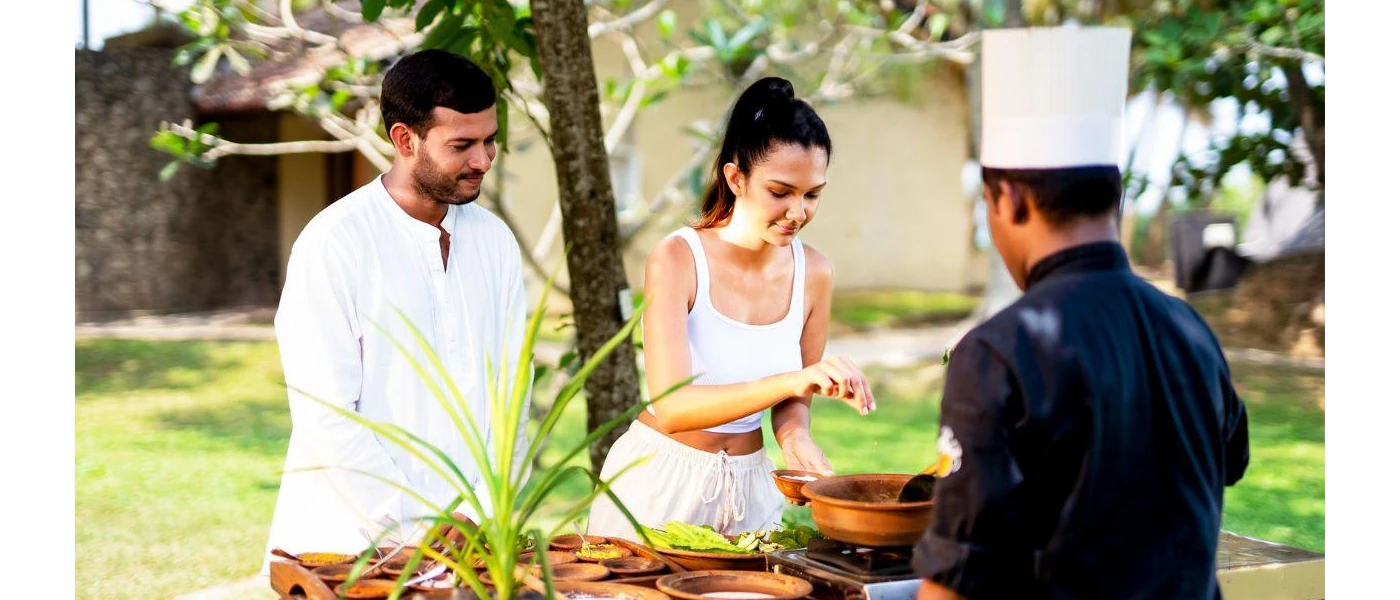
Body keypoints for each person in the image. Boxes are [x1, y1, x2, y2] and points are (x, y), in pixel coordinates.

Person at [912, 27, 1250, 599]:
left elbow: (956, 582)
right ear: (1115, 198)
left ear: (1009, 200)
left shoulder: (1000, 351)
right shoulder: (1190, 329)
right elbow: (1228, 462)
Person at [263, 49, 529, 565]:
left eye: (490, 140)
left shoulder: (495, 241)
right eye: (463, 144)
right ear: (405, 140)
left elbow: (512, 392)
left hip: (473, 546)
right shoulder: (334, 242)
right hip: (349, 547)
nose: (483, 159)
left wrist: (478, 512)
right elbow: (327, 414)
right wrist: (416, 523)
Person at [587, 77, 876, 540]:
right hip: (658, 484)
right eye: (780, 192)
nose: (798, 211)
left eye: (812, 194)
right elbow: (673, 406)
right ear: (735, 178)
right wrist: (793, 379)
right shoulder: (678, 258)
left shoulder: (815, 273)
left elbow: (791, 403)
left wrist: (795, 437)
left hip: (750, 490)